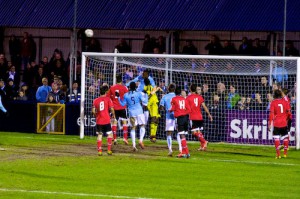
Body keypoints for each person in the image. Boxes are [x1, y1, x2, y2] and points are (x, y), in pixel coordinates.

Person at [118, 82, 148, 151]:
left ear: (129, 87)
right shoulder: (138, 93)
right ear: (135, 87)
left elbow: (123, 104)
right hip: (140, 112)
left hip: (132, 113)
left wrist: (119, 98)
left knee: (133, 128)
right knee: (142, 126)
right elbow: (145, 102)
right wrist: (146, 94)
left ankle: (134, 145)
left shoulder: (126, 95)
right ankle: (140, 140)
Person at [186, 84, 213, 151]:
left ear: (190, 89)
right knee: (198, 132)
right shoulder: (200, 97)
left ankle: (204, 141)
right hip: (200, 117)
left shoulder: (188, 98)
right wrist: (209, 114)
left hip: (193, 117)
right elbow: (204, 106)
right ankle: (202, 146)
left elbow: (186, 107)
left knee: (194, 132)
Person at [92, 85, 116, 156]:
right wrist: (113, 115)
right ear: (106, 92)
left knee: (100, 135)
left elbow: (93, 111)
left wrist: (96, 115)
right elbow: (111, 109)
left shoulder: (95, 100)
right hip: (106, 120)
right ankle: (109, 150)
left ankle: (99, 151)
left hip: (99, 120)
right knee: (110, 134)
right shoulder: (108, 99)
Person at [268, 89, 291, 159]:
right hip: (284, 123)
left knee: (276, 138)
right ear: (280, 94)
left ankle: (278, 155)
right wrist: (287, 119)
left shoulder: (273, 102)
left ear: (274, 95)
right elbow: (289, 112)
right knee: (285, 138)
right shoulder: (285, 101)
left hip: (277, 123)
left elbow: (271, 114)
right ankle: (285, 153)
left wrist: (270, 124)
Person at [107, 74, 129, 145]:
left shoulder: (112, 88)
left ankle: (115, 138)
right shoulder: (125, 88)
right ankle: (125, 138)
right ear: (121, 80)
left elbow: (108, 97)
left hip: (115, 108)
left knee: (114, 123)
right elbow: (127, 97)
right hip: (122, 107)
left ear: (116, 80)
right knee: (125, 122)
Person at [169, 86, 191, 158]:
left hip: (180, 118)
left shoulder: (174, 99)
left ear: (175, 92)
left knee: (181, 135)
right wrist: (183, 112)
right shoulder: (184, 99)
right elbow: (189, 110)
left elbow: (173, 108)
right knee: (183, 135)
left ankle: (186, 152)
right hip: (185, 118)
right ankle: (184, 152)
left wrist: (170, 110)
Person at [159, 83, 177, 156]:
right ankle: (181, 149)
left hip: (169, 116)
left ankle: (170, 150)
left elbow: (161, 107)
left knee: (169, 133)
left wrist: (164, 108)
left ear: (168, 89)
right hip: (177, 116)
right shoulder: (177, 96)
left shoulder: (165, 97)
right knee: (180, 133)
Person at [143, 77, 162, 143]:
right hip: (151, 104)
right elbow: (150, 94)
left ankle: (154, 135)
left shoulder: (151, 86)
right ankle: (152, 136)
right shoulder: (145, 88)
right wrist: (156, 89)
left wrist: (157, 88)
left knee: (156, 119)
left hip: (155, 103)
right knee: (154, 118)